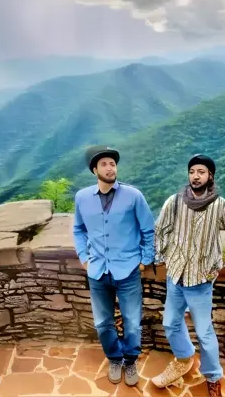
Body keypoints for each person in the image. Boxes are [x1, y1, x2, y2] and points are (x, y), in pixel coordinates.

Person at [151, 154, 225, 397]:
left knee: (205, 333)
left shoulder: (220, 206)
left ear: (210, 176)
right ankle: (184, 359)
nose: (196, 176)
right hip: (176, 274)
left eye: (201, 172)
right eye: (192, 171)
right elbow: (160, 230)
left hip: (201, 280)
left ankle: (213, 378)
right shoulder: (174, 202)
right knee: (170, 323)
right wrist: (161, 256)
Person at [72, 145, 155, 387]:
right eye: (105, 164)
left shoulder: (133, 196)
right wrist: (83, 258)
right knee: (102, 322)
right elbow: (78, 229)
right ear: (94, 170)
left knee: (131, 321)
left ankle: (130, 360)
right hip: (97, 271)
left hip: (128, 270)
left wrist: (144, 261)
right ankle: (114, 358)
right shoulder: (82, 198)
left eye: (113, 163)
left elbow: (148, 230)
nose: (110, 168)